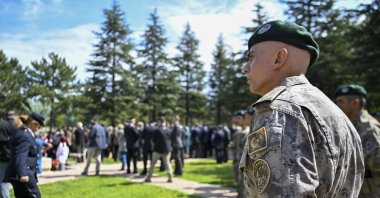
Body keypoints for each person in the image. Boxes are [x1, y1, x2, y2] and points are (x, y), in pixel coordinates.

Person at [240, 20, 364, 197]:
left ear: (279, 58)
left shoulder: (279, 110)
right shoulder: (337, 114)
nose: (245, 67)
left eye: (251, 57)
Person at [335, 84, 380, 197]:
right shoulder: (346, 124)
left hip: (370, 192)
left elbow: (377, 163)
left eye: (340, 101)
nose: (336, 105)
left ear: (355, 103)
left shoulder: (369, 128)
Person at [3, 112, 45, 198]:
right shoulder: (24, 135)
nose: (38, 129)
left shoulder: (23, 133)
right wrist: (22, 174)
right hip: (25, 174)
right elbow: (20, 155)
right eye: (38, 126)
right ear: (33, 124)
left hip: (23, 173)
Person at [145, 116, 173, 183]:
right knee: (167, 163)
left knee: (153, 164)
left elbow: (154, 139)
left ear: (159, 122)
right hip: (167, 149)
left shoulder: (157, 130)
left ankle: (149, 177)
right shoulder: (169, 130)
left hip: (158, 149)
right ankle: (170, 177)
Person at [0, 111, 18, 198]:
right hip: (15, 157)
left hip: (3, 157)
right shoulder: (17, 126)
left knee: (3, 181)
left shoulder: (1, 125)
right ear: (15, 116)